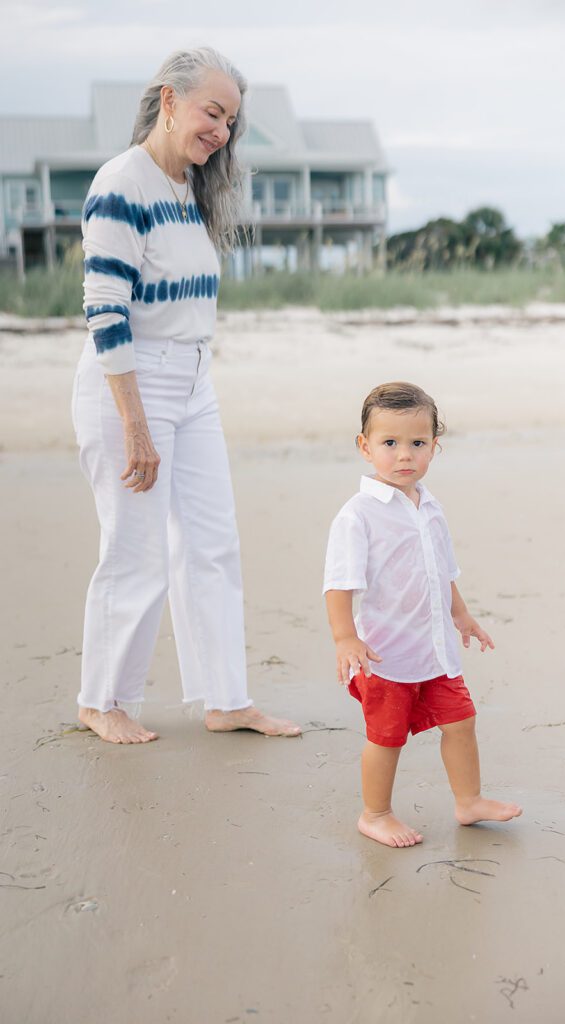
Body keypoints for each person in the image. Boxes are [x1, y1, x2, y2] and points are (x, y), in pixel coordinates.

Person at [72, 47, 300, 743]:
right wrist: (135, 424)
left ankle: (226, 699)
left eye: (230, 121)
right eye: (213, 113)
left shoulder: (187, 190)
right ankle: (102, 701)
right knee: (135, 550)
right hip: (130, 384)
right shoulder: (123, 181)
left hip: (195, 382)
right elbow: (105, 308)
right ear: (169, 101)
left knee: (212, 544)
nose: (222, 132)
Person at [323, 382, 522, 847]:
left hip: (436, 649)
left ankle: (469, 800)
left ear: (435, 446)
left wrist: (462, 614)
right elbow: (339, 583)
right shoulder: (358, 515)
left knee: (462, 722)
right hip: (387, 656)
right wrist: (344, 637)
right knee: (386, 737)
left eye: (417, 443)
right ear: (365, 447)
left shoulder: (430, 507)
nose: (404, 455)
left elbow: (442, 571)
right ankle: (375, 813)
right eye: (390, 443)